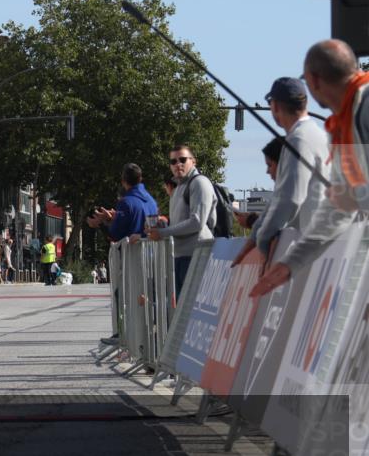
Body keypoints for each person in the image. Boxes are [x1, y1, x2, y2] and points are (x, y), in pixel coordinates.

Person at [254, 39, 369, 296]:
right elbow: (338, 210)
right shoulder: (346, 121)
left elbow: (347, 199)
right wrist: (291, 264)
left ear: (314, 81)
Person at [234, 78, 331, 268]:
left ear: (275, 106)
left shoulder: (298, 140)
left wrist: (262, 241)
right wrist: (255, 235)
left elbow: (289, 199)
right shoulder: (318, 134)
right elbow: (280, 196)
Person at [146, 144, 216, 298]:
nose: (178, 164)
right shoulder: (178, 188)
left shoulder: (199, 183)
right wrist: (161, 225)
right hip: (180, 257)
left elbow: (197, 221)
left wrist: (163, 232)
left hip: (196, 255)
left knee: (192, 310)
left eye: (183, 159)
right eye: (173, 161)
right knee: (182, 310)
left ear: (193, 161)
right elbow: (180, 224)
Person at [87, 163, 159, 241]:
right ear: (140, 178)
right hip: (152, 251)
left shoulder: (126, 202)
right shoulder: (152, 201)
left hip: (131, 252)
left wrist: (99, 223)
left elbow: (114, 236)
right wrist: (113, 218)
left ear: (123, 181)